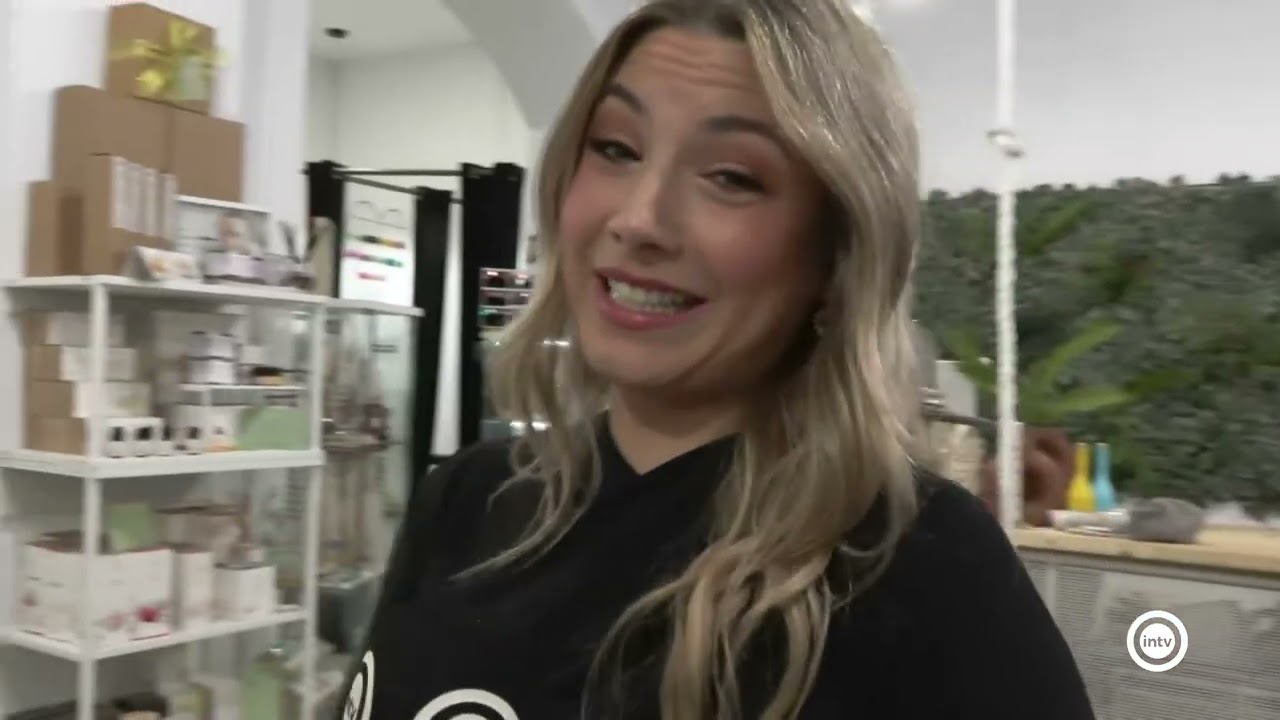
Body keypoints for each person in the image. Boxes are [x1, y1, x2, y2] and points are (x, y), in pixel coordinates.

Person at [338, 1, 1096, 719]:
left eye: (731, 177)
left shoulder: (921, 564)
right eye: (616, 148)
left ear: (836, 253)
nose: (639, 219)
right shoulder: (465, 499)